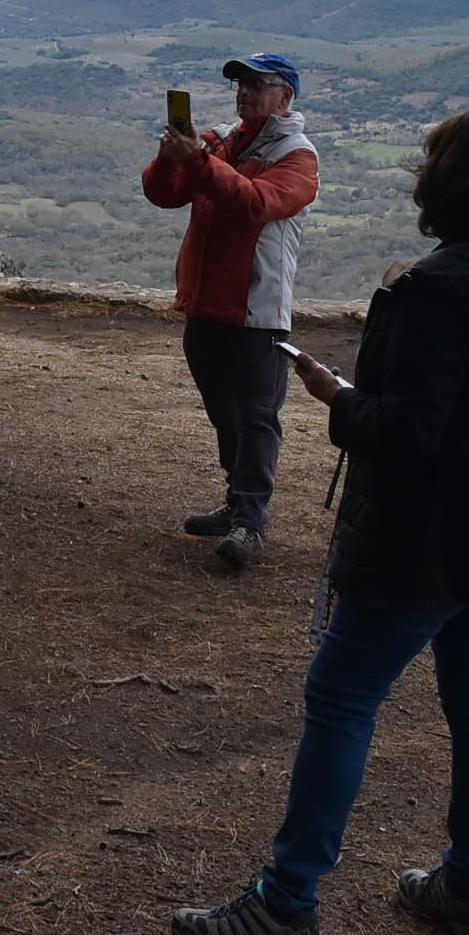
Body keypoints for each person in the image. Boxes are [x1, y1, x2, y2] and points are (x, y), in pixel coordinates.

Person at [172, 112, 469, 935]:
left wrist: (338, 396)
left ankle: (287, 906)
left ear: (448, 187)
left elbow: (408, 435)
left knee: (341, 697)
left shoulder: (435, 295)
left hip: (426, 539)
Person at [142, 53, 321, 570]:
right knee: (226, 414)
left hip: (257, 310)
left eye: (256, 85)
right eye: (240, 84)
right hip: (205, 305)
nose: (244, 92)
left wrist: (199, 160)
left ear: (285, 96)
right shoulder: (221, 141)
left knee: (256, 417)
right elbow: (163, 194)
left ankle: (250, 521)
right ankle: (235, 504)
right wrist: (170, 158)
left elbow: (256, 204)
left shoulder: (298, 156)